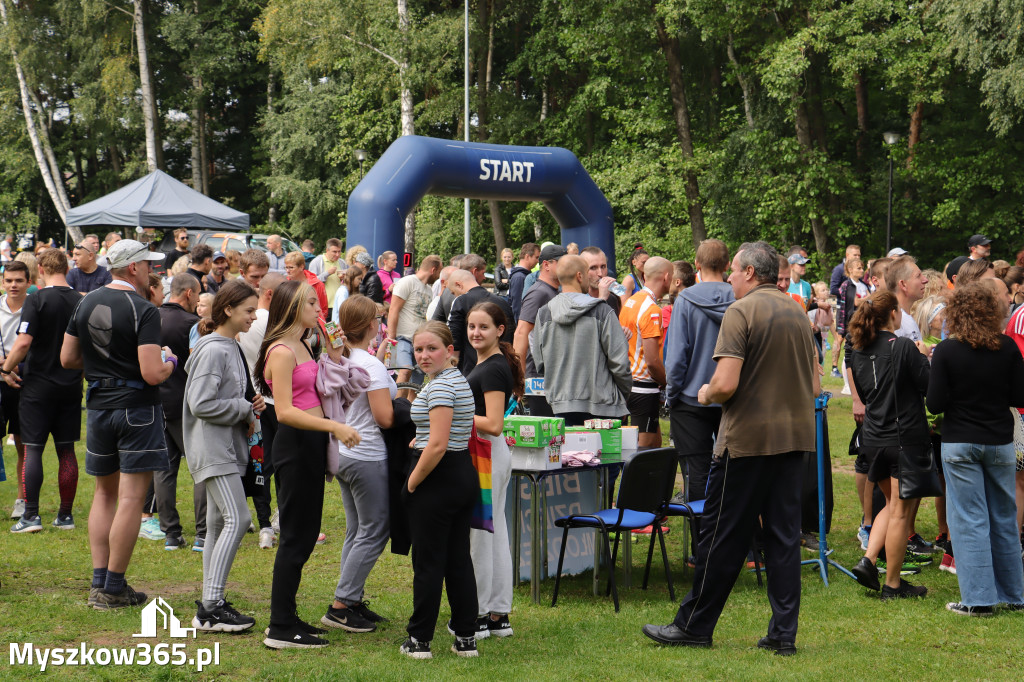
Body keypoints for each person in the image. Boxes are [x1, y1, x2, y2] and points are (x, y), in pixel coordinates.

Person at [642, 241, 819, 655]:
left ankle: (693, 626)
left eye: (736, 272)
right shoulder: (796, 309)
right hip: (794, 440)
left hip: (747, 443)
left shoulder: (742, 311)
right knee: (783, 538)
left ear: (751, 273)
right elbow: (813, 385)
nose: (731, 280)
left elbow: (723, 384)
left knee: (721, 535)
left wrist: (703, 394)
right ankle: (782, 635)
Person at [61, 239, 175, 609]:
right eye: (148, 264)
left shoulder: (85, 301)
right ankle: (113, 588)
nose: (152, 270)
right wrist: (169, 358)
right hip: (135, 408)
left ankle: (99, 582)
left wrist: (101, 366)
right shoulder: (143, 308)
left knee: (104, 495)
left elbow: (67, 358)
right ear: (133, 268)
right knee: (130, 498)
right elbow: (152, 373)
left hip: (97, 405)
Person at [255, 280, 360, 649]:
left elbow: (320, 389)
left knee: (305, 533)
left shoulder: (304, 344)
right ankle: (281, 626)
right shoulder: (282, 350)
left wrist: (333, 351)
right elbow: (284, 411)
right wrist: (334, 426)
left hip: (311, 445)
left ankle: (287, 615)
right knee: (296, 538)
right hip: (295, 447)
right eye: (312, 303)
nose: (320, 309)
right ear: (292, 306)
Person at [928, 282, 1024, 616]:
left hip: (959, 441)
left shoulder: (947, 351)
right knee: (1003, 518)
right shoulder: (1008, 347)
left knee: (969, 520)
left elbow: (935, 402)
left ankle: (979, 599)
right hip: (998, 441)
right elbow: (1019, 397)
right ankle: (1013, 595)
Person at [184, 280, 261, 632]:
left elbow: (226, 396)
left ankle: (211, 604)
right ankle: (210, 608)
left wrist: (249, 406)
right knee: (239, 519)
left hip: (224, 446)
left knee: (217, 524)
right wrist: (242, 407)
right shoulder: (214, 348)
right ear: (228, 310)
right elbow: (200, 403)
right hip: (213, 448)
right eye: (248, 310)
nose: (254, 316)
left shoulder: (229, 345)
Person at [400, 322, 479, 660]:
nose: (423, 355)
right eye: (419, 349)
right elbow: (446, 432)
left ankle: (419, 641)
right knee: (458, 560)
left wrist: (412, 481)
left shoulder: (442, 386)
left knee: (429, 562)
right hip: (460, 473)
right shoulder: (453, 380)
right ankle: (465, 639)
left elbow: (438, 444)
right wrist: (423, 437)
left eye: (432, 348)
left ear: (449, 351)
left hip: (439, 478)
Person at [846, 291, 931, 599]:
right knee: (899, 511)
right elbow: (930, 388)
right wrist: (923, 356)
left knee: (890, 505)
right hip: (902, 438)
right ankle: (893, 584)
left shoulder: (858, 351)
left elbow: (870, 395)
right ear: (893, 314)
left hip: (873, 438)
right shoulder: (904, 347)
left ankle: (869, 560)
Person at [321, 295, 395, 634]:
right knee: (375, 529)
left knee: (357, 529)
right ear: (371, 325)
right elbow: (384, 417)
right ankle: (341, 604)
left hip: (344, 452)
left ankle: (350, 599)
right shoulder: (372, 367)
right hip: (367, 454)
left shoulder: (338, 355)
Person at [5, 254, 82, 533]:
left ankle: (31, 516)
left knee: (33, 450)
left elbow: (23, 341)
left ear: (40, 270)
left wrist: (5, 369)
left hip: (38, 385)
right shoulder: (81, 300)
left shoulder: (36, 299)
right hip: (71, 385)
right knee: (66, 450)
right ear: (68, 268)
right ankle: (65, 516)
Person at [465, 302, 522, 638]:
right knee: (493, 530)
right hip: (489, 455)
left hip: (487, 453)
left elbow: (495, 424)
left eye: (483, 327)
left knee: (481, 535)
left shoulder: (493, 368)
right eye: (472, 326)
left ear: (500, 330)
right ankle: (497, 615)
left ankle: (482, 614)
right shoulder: (488, 362)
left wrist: (452, 409)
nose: (476, 333)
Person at [665, 239, 733, 502]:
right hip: (731, 397)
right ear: (727, 265)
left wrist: (672, 395)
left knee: (696, 475)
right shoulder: (739, 298)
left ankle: (702, 541)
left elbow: (677, 358)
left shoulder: (685, 301)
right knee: (733, 474)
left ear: (697, 265)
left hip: (690, 400)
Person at [532, 255, 631, 426]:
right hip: (605, 406)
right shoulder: (603, 311)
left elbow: (540, 362)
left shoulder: (543, 313)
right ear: (579, 276)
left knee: (569, 454)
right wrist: (623, 394)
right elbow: (620, 363)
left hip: (562, 404)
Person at [154, 274, 205, 551]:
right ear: (187, 293)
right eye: (197, 295)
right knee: (200, 467)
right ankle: (202, 533)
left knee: (164, 469)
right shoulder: (192, 324)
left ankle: (171, 534)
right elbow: (199, 363)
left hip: (156, 402)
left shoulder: (150, 317)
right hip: (186, 404)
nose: (198, 300)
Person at [237, 272, 287, 549]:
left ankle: (265, 522)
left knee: (261, 463)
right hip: (273, 400)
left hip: (255, 397)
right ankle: (274, 520)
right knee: (277, 463)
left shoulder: (248, 321)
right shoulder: (269, 321)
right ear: (270, 294)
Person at [619, 256, 673, 448]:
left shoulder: (632, 301)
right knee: (644, 450)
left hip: (628, 382)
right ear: (666, 277)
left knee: (655, 443)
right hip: (644, 387)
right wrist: (669, 382)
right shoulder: (652, 309)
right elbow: (652, 361)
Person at [512, 244, 566, 416]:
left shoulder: (553, 291)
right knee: (545, 435)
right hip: (537, 376)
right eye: (561, 263)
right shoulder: (539, 292)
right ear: (546, 265)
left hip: (550, 374)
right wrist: (519, 377)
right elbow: (521, 332)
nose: (566, 267)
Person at [387, 255, 440, 397]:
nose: (439, 277)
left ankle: (409, 414)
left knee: (416, 382)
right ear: (433, 270)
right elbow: (393, 309)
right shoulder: (407, 282)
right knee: (405, 371)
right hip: (402, 338)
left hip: (420, 342)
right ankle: (396, 407)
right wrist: (391, 339)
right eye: (439, 273)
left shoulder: (429, 290)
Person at [444, 269, 514, 375]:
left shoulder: (461, 301)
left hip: (471, 371)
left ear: (458, 285)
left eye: (453, 292)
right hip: (502, 368)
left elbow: (454, 341)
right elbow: (511, 337)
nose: (455, 296)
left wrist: (450, 374)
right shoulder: (503, 302)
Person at [0, 260, 28, 521]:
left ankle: (22, 499)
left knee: (23, 445)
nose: (13, 285)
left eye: (18, 280)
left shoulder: (34, 307)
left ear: (28, 282)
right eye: (9, 280)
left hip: (24, 382)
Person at [579, 246, 621, 316]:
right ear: (581, 271)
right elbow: (588, 325)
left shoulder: (612, 298)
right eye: (593, 268)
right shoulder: (575, 299)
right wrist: (602, 299)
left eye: (603, 267)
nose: (600, 274)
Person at [309, 238, 345, 319]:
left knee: (337, 331)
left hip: (339, 304)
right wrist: (327, 273)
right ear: (327, 250)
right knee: (326, 331)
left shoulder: (342, 262)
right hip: (324, 306)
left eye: (339, 251)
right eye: (334, 252)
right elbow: (311, 282)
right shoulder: (317, 262)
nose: (337, 255)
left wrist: (344, 278)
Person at [284, 251, 328, 316]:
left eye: (291, 267)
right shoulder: (284, 284)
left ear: (301, 267)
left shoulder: (317, 284)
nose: (287, 271)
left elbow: (323, 310)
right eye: (286, 267)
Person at [508, 243, 539, 322]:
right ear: (527, 257)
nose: (538, 261)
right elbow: (518, 306)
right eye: (536, 257)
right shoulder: (519, 277)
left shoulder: (524, 275)